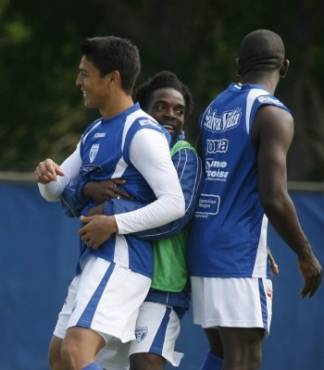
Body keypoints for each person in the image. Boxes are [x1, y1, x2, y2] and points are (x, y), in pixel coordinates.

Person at [34, 37, 185, 370]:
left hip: (122, 261)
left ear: (112, 78)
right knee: (59, 358)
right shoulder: (94, 131)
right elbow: (58, 188)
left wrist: (114, 222)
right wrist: (47, 176)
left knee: (75, 352)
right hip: (95, 258)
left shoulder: (142, 131)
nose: (79, 82)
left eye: (85, 74)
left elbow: (174, 203)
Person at [188, 29, 322, 370]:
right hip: (236, 254)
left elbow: (211, 182)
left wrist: (262, 241)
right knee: (245, 355)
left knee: (221, 353)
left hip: (205, 246)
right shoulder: (273, 113)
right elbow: (273, 196)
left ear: (238, 66)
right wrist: (306, 255)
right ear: (285, 67)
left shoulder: (215, 107)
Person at [61, 70, 202, 370]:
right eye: (161, 106)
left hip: (161, 284)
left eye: (179, 110)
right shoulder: (131, 141)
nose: (170, 114)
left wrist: (112, 215)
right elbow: (73, 197)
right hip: (124, 276)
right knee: (85, 358)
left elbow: (174, 217)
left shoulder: (183, 155)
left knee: (145, 363)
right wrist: (87, 189)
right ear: (143, 110)